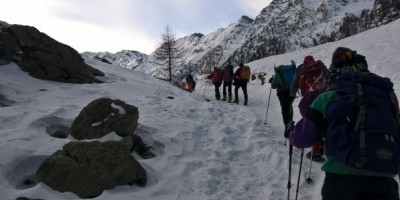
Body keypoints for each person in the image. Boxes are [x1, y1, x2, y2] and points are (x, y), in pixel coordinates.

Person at [289, 47, 400, 200]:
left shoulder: (330, 96)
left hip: (342, 180)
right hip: (385, 179)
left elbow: (303, 138)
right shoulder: (388, 98)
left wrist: (291, 133)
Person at [290, 55, 327, 161]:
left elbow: (294, 82)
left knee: (312, 122)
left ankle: (316, 152)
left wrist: (292, 94)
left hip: (308, 99)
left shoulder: (301, 69)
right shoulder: (320, 67)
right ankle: (324, 146)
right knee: (323, 120)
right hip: (323, 97)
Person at [269, 61, 296, 137]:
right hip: (291, 92)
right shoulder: (291, 70)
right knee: (290, 107)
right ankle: (291, 123)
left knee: (284, 110)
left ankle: (287, 129)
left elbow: (274, 86)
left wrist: (272, 81)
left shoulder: (279, 72)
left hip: (283, 94)